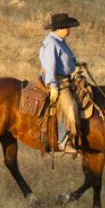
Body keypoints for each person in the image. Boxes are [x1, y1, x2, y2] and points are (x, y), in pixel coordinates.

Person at [39, 12, 82, 153]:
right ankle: (63, 141)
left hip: (65, 77)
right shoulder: (51, 43)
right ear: (58, 29)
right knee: (69, 106)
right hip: (57, 80)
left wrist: (76, 65)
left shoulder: (60, 41)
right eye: (66, 28)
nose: (68, 30)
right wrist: (52, 85)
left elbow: (66, 60)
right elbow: (50, 65)